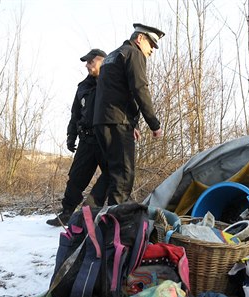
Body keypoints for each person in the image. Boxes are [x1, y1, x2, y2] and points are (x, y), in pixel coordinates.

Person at [93, 23, 165, 205]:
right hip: (118, 123)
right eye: (151, 45)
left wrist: (134, 124)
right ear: (140, 38)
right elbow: (139, 89)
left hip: (101, 122)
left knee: (111, 174)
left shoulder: (112, 56)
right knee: (124, 176)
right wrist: (154, 124)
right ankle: (114, 227)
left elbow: (116, 91)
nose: (152, 51)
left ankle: (85, 218)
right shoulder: (134, 53)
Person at [47, 49, 109, 227]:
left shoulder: (112, 83)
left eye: (91, 62)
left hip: (106, 140)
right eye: (87, 62)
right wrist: (70, 136)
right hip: (86, 139)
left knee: (111, 175)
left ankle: (88, 212)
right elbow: (75, 113)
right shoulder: (83, 86)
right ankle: (66, 213)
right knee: (75, 177)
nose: (87, 65)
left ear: (102, 61)